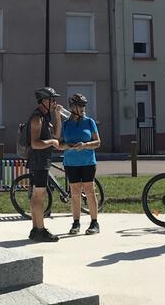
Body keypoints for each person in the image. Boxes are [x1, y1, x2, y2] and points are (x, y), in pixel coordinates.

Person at [59, 92, 101, 235]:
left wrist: (84, 145)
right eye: (80, 106)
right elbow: (59, 144)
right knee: (75, 193)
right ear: (72, 107)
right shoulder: (66, 124)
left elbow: (98, 142)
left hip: (88, 162)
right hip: (71, 163)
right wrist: (68, 146)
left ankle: (94, 223)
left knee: (89, 190)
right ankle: (76, 223)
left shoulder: (89, 122)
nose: (83, 108)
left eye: (84, 106)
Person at [27, 86, 64, 242]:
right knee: (38, 196)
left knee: (37, 195)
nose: (54, 102)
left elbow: (56, 135)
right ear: (43, 101)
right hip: (38, 162)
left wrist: (57, 116)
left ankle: (35, 229)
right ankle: (40, 229)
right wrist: (51, 142)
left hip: (43, 161)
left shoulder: (46, 117)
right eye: (52, 100)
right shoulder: (37, 118)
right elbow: (35, 143)